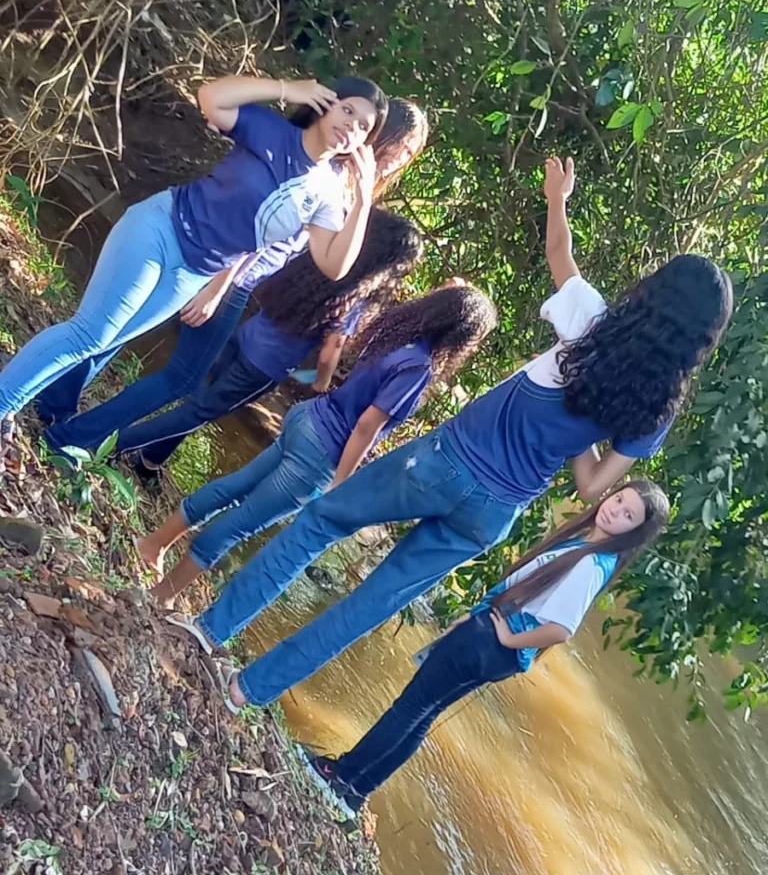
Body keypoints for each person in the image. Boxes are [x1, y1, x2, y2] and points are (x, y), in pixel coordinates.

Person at [160, 154, 733, 711]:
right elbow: (591, 486)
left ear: (654, 290)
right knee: (374, 602)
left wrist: (558, 199)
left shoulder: (590, 323)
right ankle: (248, 690)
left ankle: (210, 630)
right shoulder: (656, 411)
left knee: (319, 522)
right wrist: (577, 426)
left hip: (445, 459)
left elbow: (559, 252)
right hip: (494, 513)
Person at [0, 73, 388, 464]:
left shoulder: (326, 193)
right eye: (347, 111)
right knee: (90, 334)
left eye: (363, 127)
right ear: (326, 103)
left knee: (101, 342)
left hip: (192, 274)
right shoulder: (271, 131)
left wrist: (362, 198)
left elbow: (334, 265)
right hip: (160, 229)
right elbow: (211, 97)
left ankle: (20, 408)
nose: (351, 127)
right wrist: (288, 89)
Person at [302, 479, 669, 816]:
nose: (615, 511)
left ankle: (341, 774)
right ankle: (356, 789)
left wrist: (509, 638)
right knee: (423, 712)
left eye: (628, 515)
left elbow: (560, 630)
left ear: (634, 533)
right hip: (490, 639)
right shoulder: (586, 548)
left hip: (492, 641)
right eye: (619, 500)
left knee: (411, 707)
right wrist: (475, 618)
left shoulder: (590, 564)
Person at [138, 282, 496, 606]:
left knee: (234, 487)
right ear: (460, 335)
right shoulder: (418, 369)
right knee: (241, 523)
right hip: (322, 451)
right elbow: (367, 426)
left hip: (307, 419)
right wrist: (341, 483)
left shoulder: (395, 332)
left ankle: (153, 544)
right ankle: (162, 594)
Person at [72, 207, 423, 479]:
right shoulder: (356, 295)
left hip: (247, 334)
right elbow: (331, 349)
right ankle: (111, 443)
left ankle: (150, 459)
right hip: (265, 366)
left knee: (198, 402)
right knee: (199, 412)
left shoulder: (325, 259)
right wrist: (321, 382)